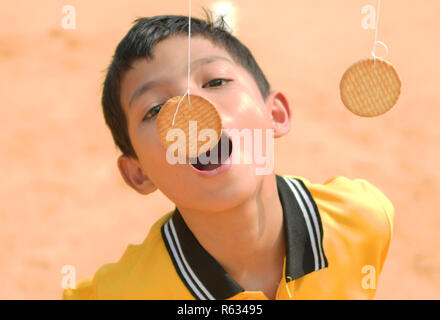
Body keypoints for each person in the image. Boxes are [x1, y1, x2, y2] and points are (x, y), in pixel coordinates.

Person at [63, 13, 394, 300]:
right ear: (138, 173)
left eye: (216, 81)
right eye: (156, 109)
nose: (192, 112)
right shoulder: (118, 294)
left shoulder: (362, 221)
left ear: (275, 115)